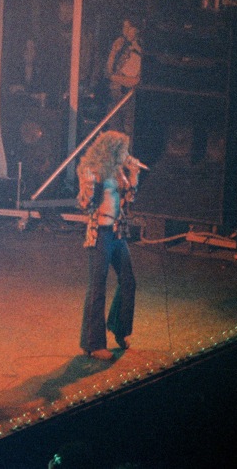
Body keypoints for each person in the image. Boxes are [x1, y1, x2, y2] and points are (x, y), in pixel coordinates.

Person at [76, 131, 141, 360]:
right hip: (100, 234)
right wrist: (89, 183)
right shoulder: (92, 169)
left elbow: (130, 198)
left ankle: (119, 328)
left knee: (128, 281)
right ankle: (93, 344)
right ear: (111, 150)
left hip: (117, 232)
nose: (125, 154)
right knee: (97, 287)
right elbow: (84, 204)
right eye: (122, 150)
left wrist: (133, 174)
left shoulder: (118, 171)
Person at [104, 16, 142, 140]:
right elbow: (108, 71)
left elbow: (133, 81)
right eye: (124, 27)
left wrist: (113, 78)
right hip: (114, 97)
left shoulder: (139, 51)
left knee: (126, 135)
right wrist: (113, 52)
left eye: (129, 28)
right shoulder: (123, 48)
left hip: (127, 99)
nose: (126, 31)